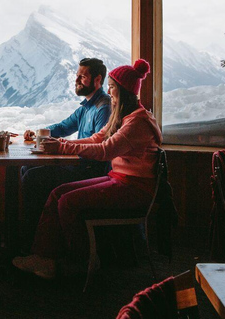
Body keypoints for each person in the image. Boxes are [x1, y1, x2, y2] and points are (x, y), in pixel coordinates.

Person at [13, 59, 160, 279]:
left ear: (122, 91)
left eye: (112, 87)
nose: (109, 92)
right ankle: (43, 256)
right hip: (119, 179)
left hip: (134, 188)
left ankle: (82, 261)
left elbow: (104, 150)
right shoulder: (125, 118)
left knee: (67, 201)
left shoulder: (137, 123)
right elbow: (97, 138)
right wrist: (59, 143)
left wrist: (63, 146)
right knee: (58, 194)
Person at [20, 58, 111, 247]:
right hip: (78, 164)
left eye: (82, 76)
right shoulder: (86, 107)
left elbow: (100, 145)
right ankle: (34, 236)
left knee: (32, 177)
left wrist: (61, 145)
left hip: (91, 170)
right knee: (25, 168)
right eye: (77, 76)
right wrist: (38, 133)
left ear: (97, 80)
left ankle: (33, 241)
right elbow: (63, 127)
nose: (77, 80)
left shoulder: (103, 107)